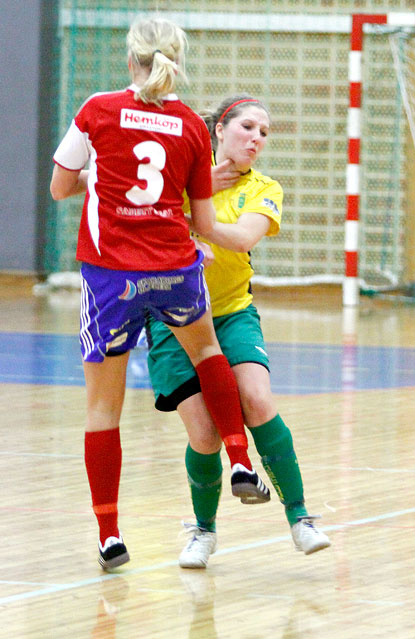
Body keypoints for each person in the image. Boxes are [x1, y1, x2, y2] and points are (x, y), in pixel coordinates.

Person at [50, 17, 268, 572]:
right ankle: (240, 460)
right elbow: (199, 218)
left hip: (111, 274)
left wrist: (98, 175)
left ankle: (109, 537)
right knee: (208, 352)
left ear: (131, 59)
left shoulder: (97, 109)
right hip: (174, 265)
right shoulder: (193, 127)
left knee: (104, 407)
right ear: (177, 59)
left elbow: (58, 188)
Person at [145, 94, 331, 569]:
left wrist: (190, 220)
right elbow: (144, 221)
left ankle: (300, 517)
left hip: (230, 312)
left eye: (265, 133)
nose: (257, 139)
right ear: (220, 129)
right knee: (205, 435)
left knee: (258, 401)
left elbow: (242, 238)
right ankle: (203, 531)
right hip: (171, 319)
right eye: (248, 127)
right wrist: (193, 196)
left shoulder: (264, 187)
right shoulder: (180, 175)